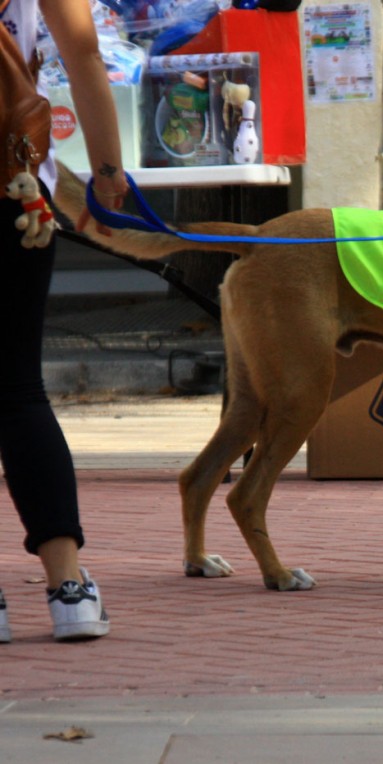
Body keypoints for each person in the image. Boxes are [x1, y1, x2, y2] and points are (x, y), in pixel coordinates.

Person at [0, 0, 128, 643]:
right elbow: (84, 55)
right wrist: (107, 177)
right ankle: (69, 591)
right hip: (17, 194)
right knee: (19, 390)